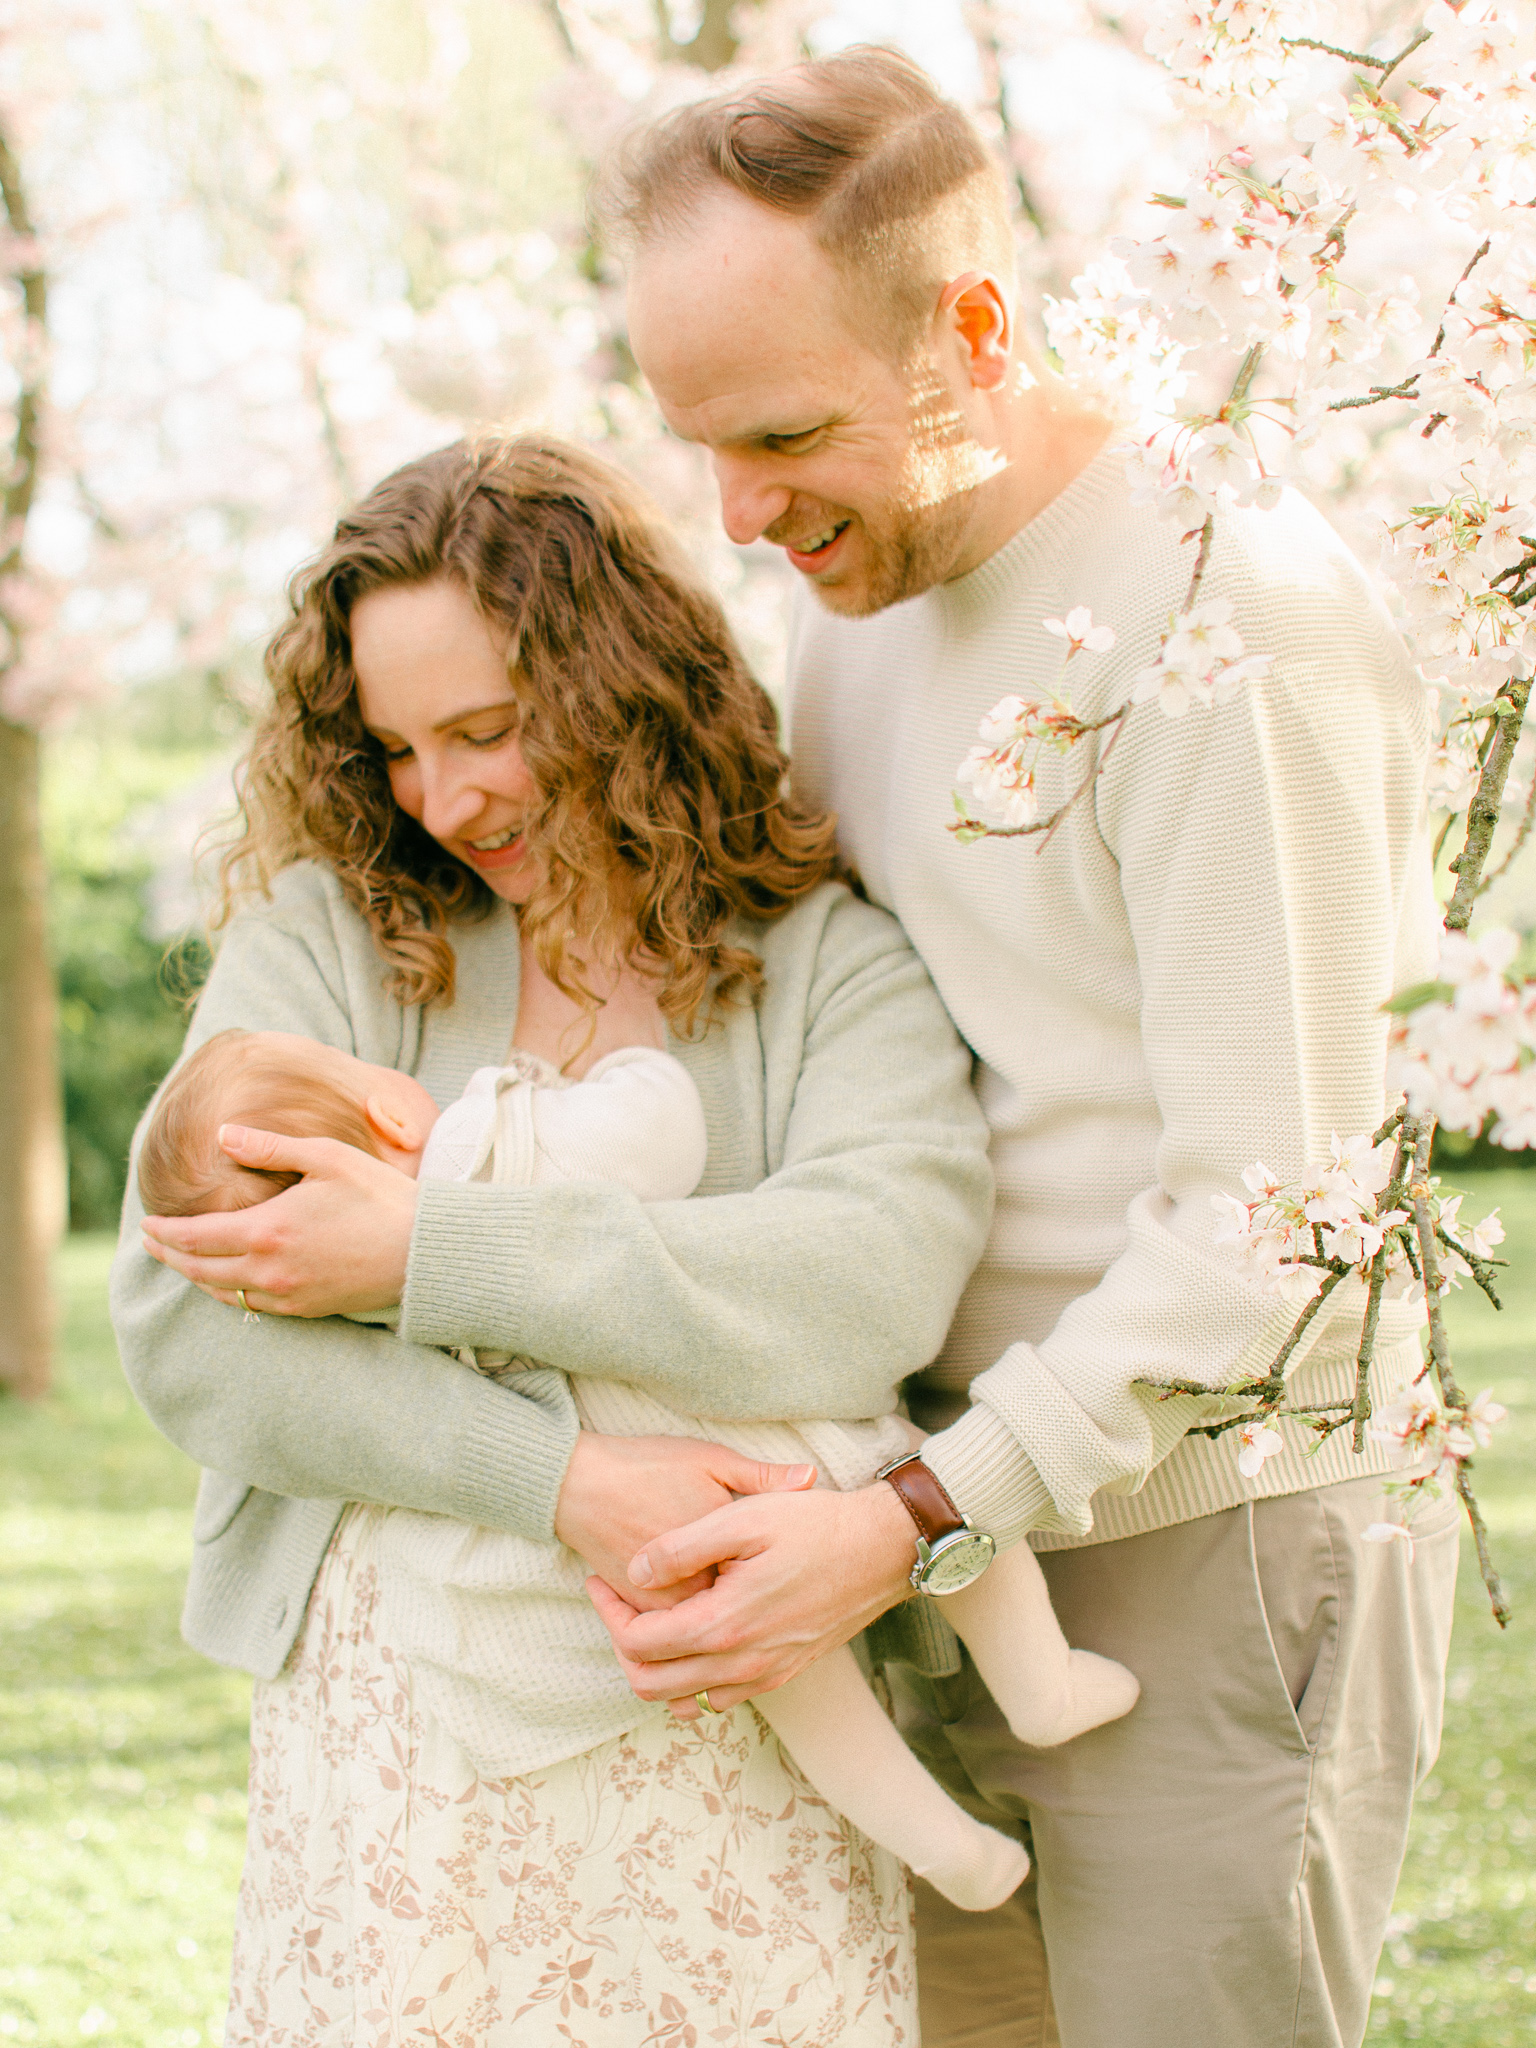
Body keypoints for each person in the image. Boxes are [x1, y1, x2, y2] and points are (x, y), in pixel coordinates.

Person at [576, 47, 1459, 2048]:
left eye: (786, 431)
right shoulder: (856, 598)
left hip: (1206, 1541)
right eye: (698, 441)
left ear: (974, 327)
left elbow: (1271, 1222)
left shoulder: (1231, 627)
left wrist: (903, 1521)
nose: (741, 510)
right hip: (934, 1539)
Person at [114, 432, 1009, 2042]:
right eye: (393, 747)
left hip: (728, 1710)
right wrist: (567, 1483)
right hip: (402, 1740)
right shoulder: (329, 939)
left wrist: (428, 1258)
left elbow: (872, 1270)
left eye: (489, 730)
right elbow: (188, 1331)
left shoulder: (815, 962)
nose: (442, 798)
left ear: (623, 689)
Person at [137, 1021, 1135, 1912]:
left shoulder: (329, 1290)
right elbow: (663, 1133)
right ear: (387, 1103)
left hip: (651, 1521)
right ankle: (1040, 1683)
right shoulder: (487, 1137)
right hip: (753, 1433)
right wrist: (617, 1069)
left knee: (786, 1680)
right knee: (934, 1484)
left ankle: (945, 1849)